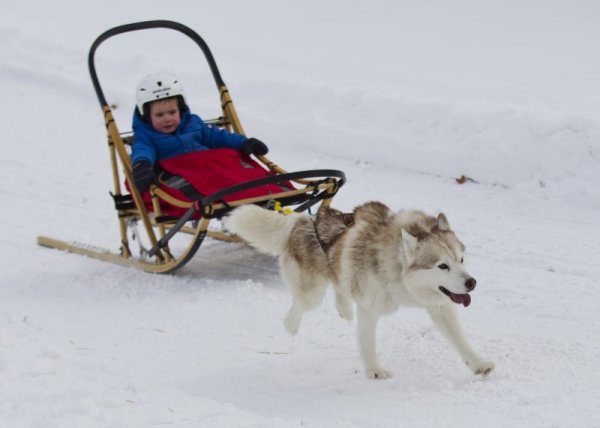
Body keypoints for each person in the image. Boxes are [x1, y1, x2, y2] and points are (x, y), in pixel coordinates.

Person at [131, 72, 269, 192]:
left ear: (181, 109)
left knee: (231, 162)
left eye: (172, 112)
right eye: (159, 115)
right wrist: (142, 165)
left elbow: (218, 137)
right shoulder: (147, 135)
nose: (167, 119)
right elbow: (142, 150)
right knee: (203, 182)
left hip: (206, 166)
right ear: (147, 116)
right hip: (178, 172)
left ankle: (262, 188)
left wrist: (244, 142)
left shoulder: (193, 123)